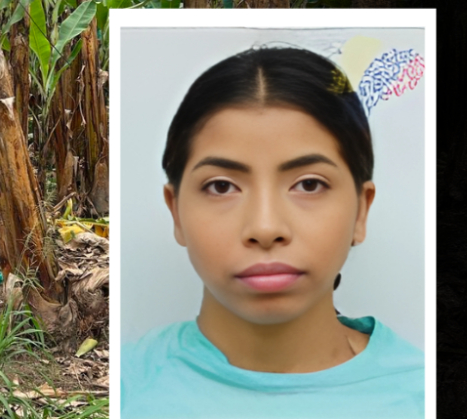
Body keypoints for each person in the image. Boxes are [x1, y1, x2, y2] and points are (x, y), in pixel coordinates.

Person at [121, 46, 424, 418]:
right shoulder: (124, 389)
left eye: (309, 184)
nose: (265, 228)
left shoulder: (423, 395)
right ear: (177, 212)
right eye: (221, 186)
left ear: (361, 211)